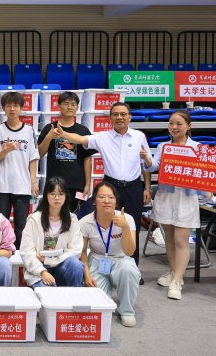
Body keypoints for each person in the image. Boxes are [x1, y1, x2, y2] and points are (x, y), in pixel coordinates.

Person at [55, 102, 151, 277]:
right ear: (110, 118)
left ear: (129, 117)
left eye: (123, 114)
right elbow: (81, 139)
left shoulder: (139, 136)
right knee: (106, 224)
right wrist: (64, 134)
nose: (119, 117)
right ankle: (105, 263)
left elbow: (145, 163)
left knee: (133, 226)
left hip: (134, 187)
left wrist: (147, 187)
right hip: (111, 188)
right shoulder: (102, 137)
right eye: (115, 114)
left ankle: (132, 268)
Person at [142, 110, 204, 299]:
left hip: (186, 198)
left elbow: (207, 171)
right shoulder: (163, 146)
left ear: (189, 126)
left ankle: (177, 281)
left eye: (179, 124)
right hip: (166, 196)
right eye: (171, 123)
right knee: (169, 239)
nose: (174, 127)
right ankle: (174, 272)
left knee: (181, 240)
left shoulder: (198, 148)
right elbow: (154, 166)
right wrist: (147, 159)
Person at [80, 182, 140, 327]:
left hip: (121, 259)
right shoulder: (85, 222)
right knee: (98, 306)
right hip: (97, 259)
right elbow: (82, 252)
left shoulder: (127, 219)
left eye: (111, 197)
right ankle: (106, 295)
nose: (106, 201)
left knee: (128, 270)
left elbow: (129, 251)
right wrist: (87, 275)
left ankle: (126, 310)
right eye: (101, 197)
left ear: (116, 201)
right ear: (94, 201)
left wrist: (125, 227)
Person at [0, 91, 39, 248]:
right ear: (3, 108)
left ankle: (20, 256)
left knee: (21, 226)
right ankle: (2, 253)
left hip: (22, 186)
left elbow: (33, 157)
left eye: (15, 106)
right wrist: (6, 150)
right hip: (3, 186)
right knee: (1, 225)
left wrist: (33, 182)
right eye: (8, 105)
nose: (12, 109)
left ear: (21, 108)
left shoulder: (28, 130)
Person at [19, 176, 84, 287]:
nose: (57, 198)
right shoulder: (34, 220)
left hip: (61, 266)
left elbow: (76, 251)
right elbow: (27, 252)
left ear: (66, 196)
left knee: (75, 264)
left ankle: (74, 296)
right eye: (53, 194)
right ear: (46, 196)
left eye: (61, 194)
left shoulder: (72, 219)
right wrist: (42, 272)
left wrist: (49, 260)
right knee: (48, 293)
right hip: (39, 269)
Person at [38, 91, 96, 212]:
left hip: (77, 184)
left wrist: (87, 184)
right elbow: (40, 153)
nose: (70, 107)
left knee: (76, 218)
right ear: (58, 106)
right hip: (54, 184)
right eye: (66, 104)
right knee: (53, 217)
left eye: (73, 104)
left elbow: (87, 159)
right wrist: (49, 137)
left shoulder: (83, 130)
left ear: (77, 107)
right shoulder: (50, 128)